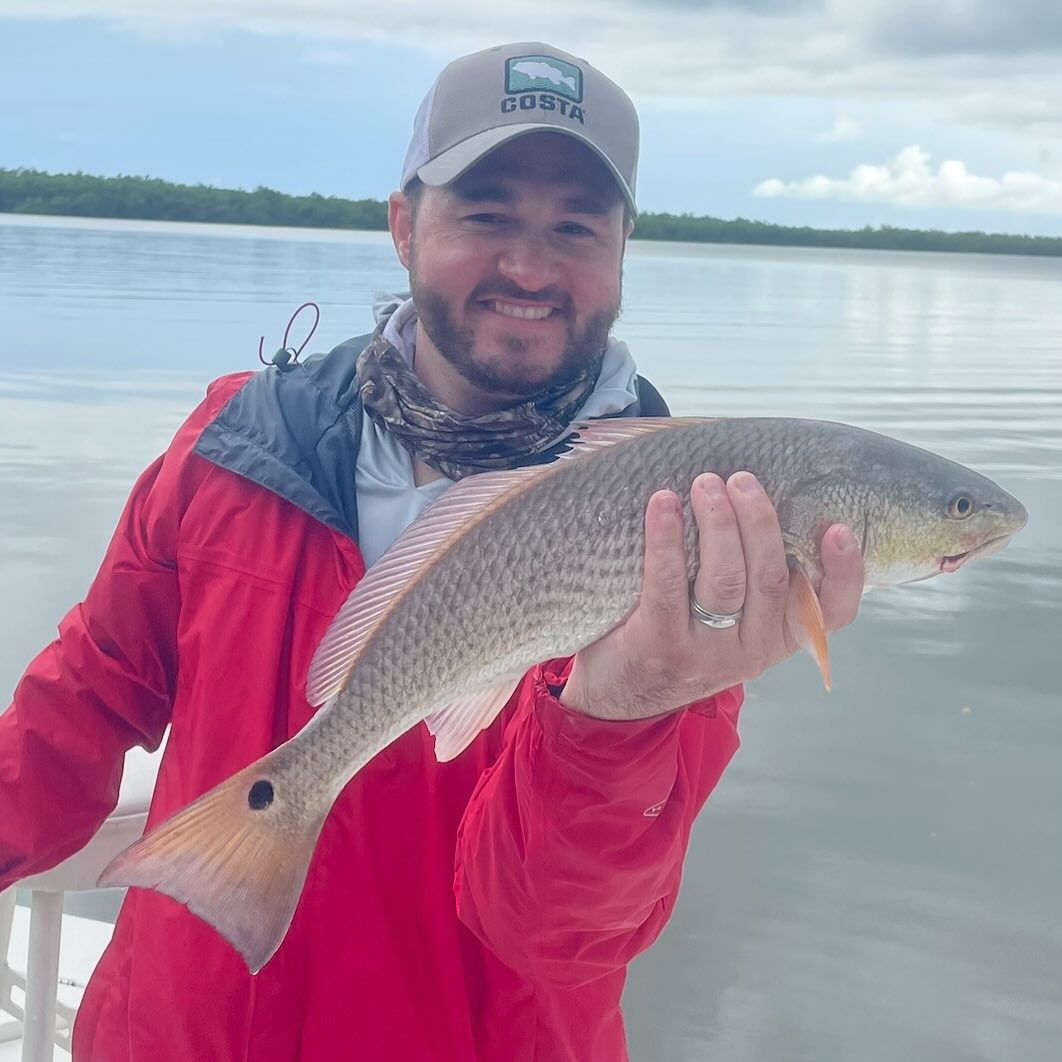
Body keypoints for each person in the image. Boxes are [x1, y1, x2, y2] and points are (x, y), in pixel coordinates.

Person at [0, 41, 864, 1062]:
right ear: (405, 224)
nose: (531, 268)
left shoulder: (688, 529)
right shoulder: (236, 446)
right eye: (487, 214)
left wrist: (621, 717)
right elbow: (83, 701)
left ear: (625, 253)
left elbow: (560, 928)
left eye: (576, 227)